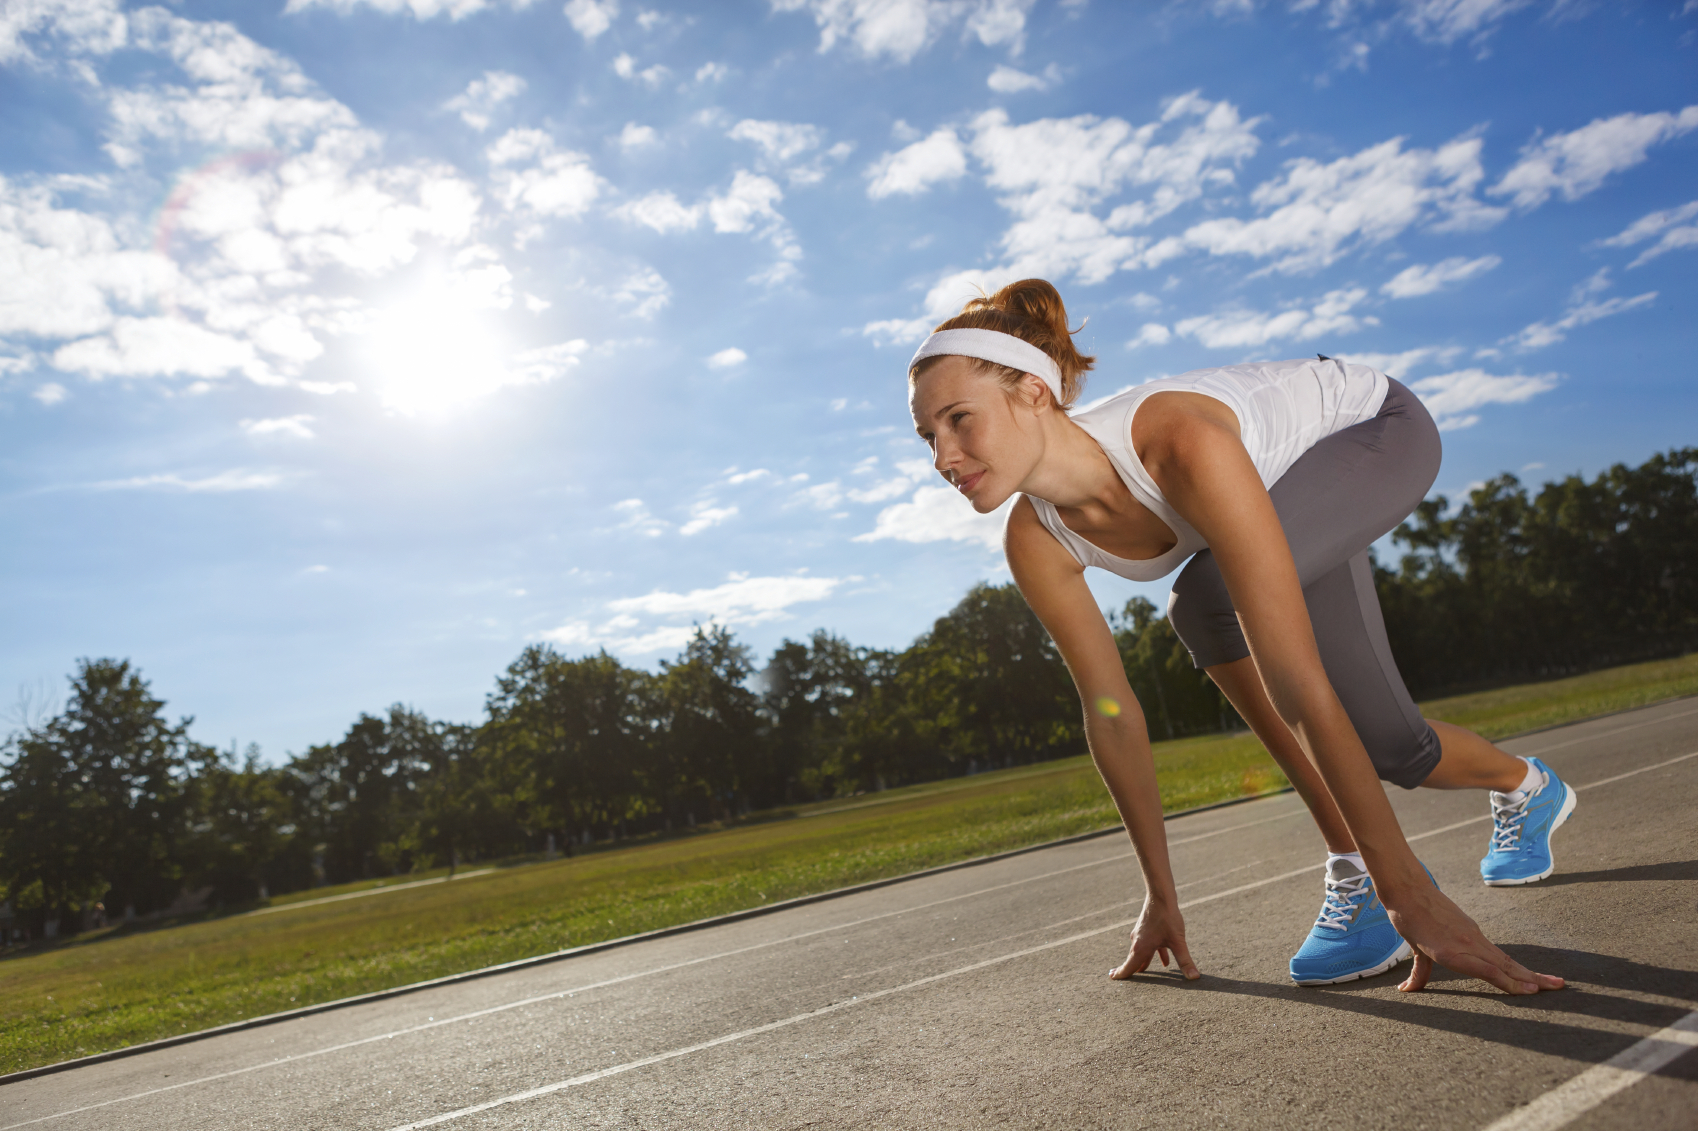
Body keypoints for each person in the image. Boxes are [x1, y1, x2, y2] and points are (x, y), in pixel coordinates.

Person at [907, 278, 1575, 995]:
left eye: (958, 420)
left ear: (1033, 393)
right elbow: (1113, 713)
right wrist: (1160, 894)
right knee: (1394, 745)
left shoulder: (1176, 442)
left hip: (1372, 431)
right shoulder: (1036, 537)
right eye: (927, 435)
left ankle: (1366, 872)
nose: (943, 456)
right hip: (1285, 486)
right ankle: (1526, 787)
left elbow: (1293, 677)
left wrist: (1409, 893)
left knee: (1203, 599)